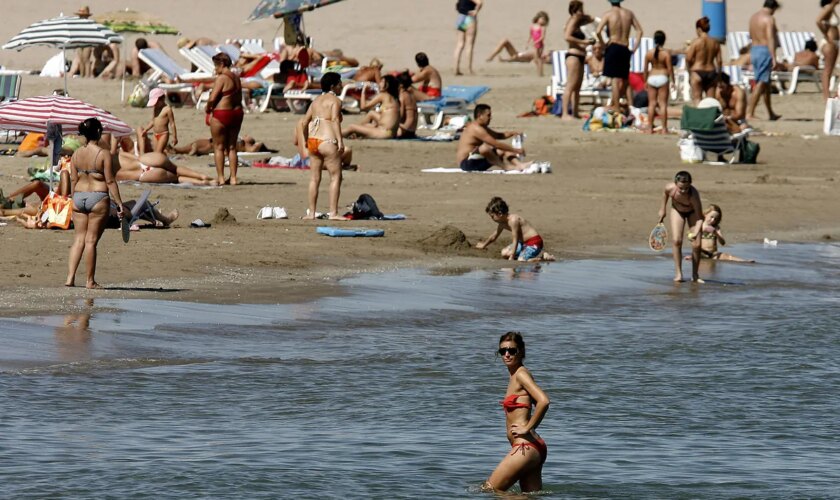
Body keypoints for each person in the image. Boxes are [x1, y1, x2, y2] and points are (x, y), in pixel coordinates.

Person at [482, 331, 550, 493]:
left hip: (525, 447)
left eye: (512, 350)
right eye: (502, 351)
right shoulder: (514, 376)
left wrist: (527, 428)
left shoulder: (521, 374)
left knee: (490, 490)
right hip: (531, 448)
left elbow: (544, 401)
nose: (506, 354)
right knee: (530, 497)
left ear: (521, 352)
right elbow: (535, 403)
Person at [65, 118, 127, 289]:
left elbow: (73, 179)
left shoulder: (76, 154)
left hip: (78, 196)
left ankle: (70, 278)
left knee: (79, 240)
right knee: (91, 241)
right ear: (99, 132)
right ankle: (89, 281)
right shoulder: (103, 154)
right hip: (97, 196)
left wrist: (73, 200)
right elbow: (110, 181)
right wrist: (120, 204)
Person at [297, 72, 348, 220]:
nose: (342, 86)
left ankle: (311, 213)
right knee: (335, 177)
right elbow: (335, 121)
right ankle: (333, 213)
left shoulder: (315, 101)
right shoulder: (335, 101)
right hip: (327, 141)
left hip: (313, 141)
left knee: (314, 178)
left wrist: (306, 140)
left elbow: (304, 122)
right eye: (340, 83)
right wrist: (340, 140)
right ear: (333, 86)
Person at [596, 0, 644, 113]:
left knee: (614, 79)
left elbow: (598, 31)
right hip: (625, 47)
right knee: (625, 78)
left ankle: (616, 107)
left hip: (613, 46)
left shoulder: (608, 14)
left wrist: (603, 44)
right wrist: (635, 47)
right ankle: (629, 105)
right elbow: (640, 31)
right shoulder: (629, 13)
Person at [456, 104, 532, 172]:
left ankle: (519, 165)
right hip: (467, 164)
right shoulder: (476, 129)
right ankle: (505, 167)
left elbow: (499, 136)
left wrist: (512, 133)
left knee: (502, 149)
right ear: (480, 116)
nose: (490, 117)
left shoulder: (482, 127)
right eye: (488, 115)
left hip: (477, 161)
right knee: (485, 148)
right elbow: (495, 144)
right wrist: (516, 150)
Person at [658, 171, 704, 283]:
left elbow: (700, 218)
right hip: (677, 210)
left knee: (697, 244)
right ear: (675, 184)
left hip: (693, 213)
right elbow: (665, 194)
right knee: (676, 241)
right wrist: (662, 209)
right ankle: (679, 274)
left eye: (686, 188)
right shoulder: (670, 188)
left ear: (690, 184)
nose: (684, 191)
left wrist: (696, 232)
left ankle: (695, 274)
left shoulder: (693, 195)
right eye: (681, 188)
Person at [476, 197, 555, 261]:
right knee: (504, 253)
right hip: (523, 243)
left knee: (521, 260)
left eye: (492, 216)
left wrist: (512, 256)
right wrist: (483, 245)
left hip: (534, 242)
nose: (492, 219)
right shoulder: (502, 223)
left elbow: (515, 239)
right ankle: (525, 255)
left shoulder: (513, 220)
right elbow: (494, 236)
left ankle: (542, 257)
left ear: (500, 214)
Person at [206, 52, 244, 185]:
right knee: (232, 147)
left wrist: (208, 108)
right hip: (237, 113)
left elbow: (212, 98)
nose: (215, 69)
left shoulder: (222, 78)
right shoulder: (236, 78)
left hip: (222, 113)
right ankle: (233, 178)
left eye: (216, 66)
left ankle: (221, 178)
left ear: (221, 64)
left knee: (219, 147)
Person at [747, 0, 782, 121]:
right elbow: (770, 38)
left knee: (766, 83)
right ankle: (749, 112)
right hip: (764, 50)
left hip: (754, 49)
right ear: (773, 8)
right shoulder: (769, 19)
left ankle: (770, 113)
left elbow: (751, 36)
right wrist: (774, 57)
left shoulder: (753, 17)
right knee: (761, 82)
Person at [486, 11, 551, 77]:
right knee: (505, 40)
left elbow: (516, 59)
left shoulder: (535, 58)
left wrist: (504, 60)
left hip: (517, 55)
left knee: (505, 41)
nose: (546, 55)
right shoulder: (535, 53)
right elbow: (531, 36)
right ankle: (491, 56)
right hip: (517, 54)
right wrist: (528, 44)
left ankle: (491, 56)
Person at [685, 205, 755, 263]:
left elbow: (723, 243)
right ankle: (693, 257)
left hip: (713, 253)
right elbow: (690, 235)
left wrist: (716, 233)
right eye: (711, 217)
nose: (713, 220)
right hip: (701, 252)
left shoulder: (716, 227)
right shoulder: (700, 225)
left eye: (715, 219)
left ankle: (744, 261)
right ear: (705, 214)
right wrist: (695, 234)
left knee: (727, 256)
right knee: (699, 261)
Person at [561, 3, 595, 119]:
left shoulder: (578, 21)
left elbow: (590, 18)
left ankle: (575, 112)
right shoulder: (573, 20)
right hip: (573, 56)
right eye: (580, 9)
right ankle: (565, 113)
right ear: (575, 11)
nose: (582, 12)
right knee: (570, 85)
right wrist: (585, 42)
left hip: (580, 56)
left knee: (577, 87)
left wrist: (583, 16)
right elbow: (567, 36)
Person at [342, 75, 400, 139]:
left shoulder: (383, 95)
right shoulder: (394, 98)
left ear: (387, 85)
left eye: (382, 82)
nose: (379, 83)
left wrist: (364, 90)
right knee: (370, 116)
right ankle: (356, 133)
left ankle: (336, 135)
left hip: (384, 132)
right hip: (390, 132)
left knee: (352, 127)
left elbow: (363, 107)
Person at [686, 17, 722, 104]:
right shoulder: (715, 42)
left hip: (697, 71)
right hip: (711, 72)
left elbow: (688, 59)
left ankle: (699, 117)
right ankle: (709, 117)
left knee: (697, 99)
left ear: (698, 29)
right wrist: (719, 75)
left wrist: (689, 72)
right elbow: (719, 61)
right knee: (711, 101)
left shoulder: (696, 42)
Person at [644, 30, 674, 133]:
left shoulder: (649, 53)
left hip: (651, 77)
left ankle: (649, 128)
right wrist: (673, 81)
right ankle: (664, 128)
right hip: (663, 77)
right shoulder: (666, 54)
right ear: (664, 41)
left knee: (651, 104)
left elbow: (645, 69)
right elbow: (670, 69)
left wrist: (645, 81)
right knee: (663, 104)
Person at [138, 88, 178, 154]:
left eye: (156, 103)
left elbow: (172, 124)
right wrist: (146, 129)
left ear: (162, 99)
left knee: (158, 152)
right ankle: (164, 158)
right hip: (155, 134)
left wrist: (174, 137)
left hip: (163, 134)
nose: (155, 105)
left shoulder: (167, 109)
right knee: (155, 152)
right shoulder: (155, 109)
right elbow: (153, 121)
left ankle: (163, 160)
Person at [817, 0, 840, 99]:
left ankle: (831, 96)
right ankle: (826, 98)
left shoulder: (831, 9)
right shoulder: (828, 7)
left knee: (830, 70)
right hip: (829, 43)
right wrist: (825, 34)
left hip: (834, 42)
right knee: (827, 70)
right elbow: (818, 21)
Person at [454, 0, 483, 75]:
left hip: (460, 17)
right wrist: (476, 11)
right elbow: (479, 2)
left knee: (459, 44)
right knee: (469, 45)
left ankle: (456, 68)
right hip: (469, 18)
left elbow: (457, 6)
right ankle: (469, 69)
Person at [397, 72, 418, 138]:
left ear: (400, 85)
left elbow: (401, 115)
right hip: (412, 130)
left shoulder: (402, 96)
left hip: (404, 129)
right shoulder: (412, 95)